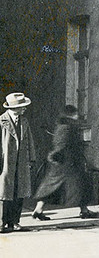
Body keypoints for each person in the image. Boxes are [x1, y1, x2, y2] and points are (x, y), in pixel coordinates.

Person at [31, 105, 99, 220]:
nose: (77, 115)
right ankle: (84, 210)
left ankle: (39, 209)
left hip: (67, 162)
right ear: (71, 114)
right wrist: (55, 155)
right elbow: (61, 144)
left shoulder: (65, 126)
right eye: (75, 113)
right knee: (81, 185)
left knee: (55, 187)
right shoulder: (66, 127)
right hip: (68, 163)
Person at [0, 92, 36, 233]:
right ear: (14, 108)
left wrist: (31, 158)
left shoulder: (24, 121)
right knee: (4, 194)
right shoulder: (1, 121)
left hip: (21, 163)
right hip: (5, 163)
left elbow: (30, 142)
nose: (25, 109)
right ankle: (2, 223)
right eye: (22, 106)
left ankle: (15, 222)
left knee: (19, 192)